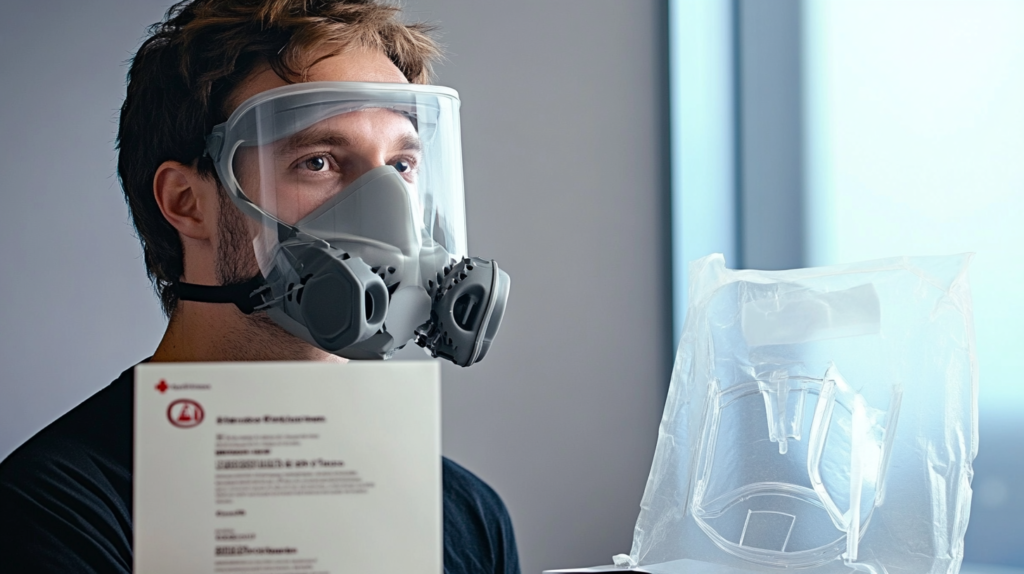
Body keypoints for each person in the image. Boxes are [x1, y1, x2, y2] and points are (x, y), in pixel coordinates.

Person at [0, 1, 520, 572]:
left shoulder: (466, 515)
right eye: (318, 161)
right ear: (186, 202)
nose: (390, 214)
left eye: (400, 166)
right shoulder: (54, 513)